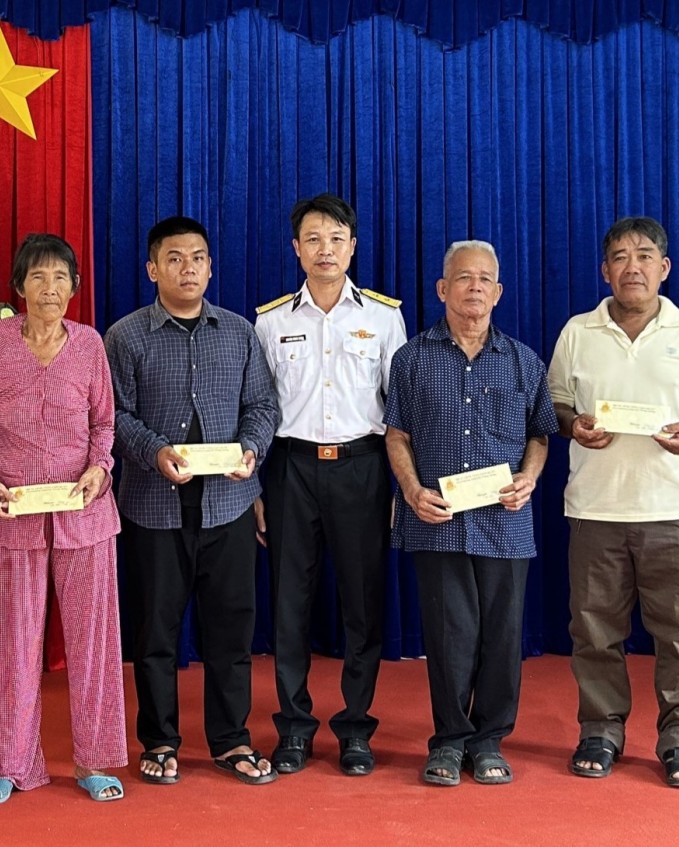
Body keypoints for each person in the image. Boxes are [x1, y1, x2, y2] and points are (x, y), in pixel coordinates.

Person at [548, 216, 679, 788]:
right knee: (594, 630)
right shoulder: (577, 331)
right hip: (596, 508)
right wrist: (573, 425)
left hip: (674, 508)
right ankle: (601, 729)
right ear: (605, 271)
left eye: (645, 255)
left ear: (664, 268)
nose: (633, 266)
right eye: (621, 257)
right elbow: (554, 407)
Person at [105, 215, 280, 786]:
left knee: (231, 632)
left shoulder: (238, 331)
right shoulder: (125, 336)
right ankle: (159, 740)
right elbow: (114, 417)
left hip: (227, 505)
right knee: (156, 633)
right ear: (153, 268)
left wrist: (252, 449)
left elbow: (262, 407)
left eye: (198, 258)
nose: (188, 268)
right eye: (175, 258)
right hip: (153, 506)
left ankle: (230, 740)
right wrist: (155, 452)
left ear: (211, 266)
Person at [384, 240, 556, 787]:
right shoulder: (411, 358)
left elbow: (540, 434)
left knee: (502, 638)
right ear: (442, 289)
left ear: (499, 292)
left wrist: (529, 477)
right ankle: (449, 741)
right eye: (463, 277)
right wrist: (411, 490)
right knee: (448, 635)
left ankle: (488, 741)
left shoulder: (524, 360)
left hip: (505, 524)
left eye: (485, 278)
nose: (475, 286)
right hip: (436, 520)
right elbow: (397, 435)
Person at [0, 234, 128, 804]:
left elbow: (105, 428)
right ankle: (10, 764)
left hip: (85, 517)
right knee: (13, 643)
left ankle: (96, 761)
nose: (50, 288)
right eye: (38, 277)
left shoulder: (89, 346)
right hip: (13, 517)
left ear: (75, 287)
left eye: (61, 277)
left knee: (93, 644)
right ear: (18, 287)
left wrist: (99, 472)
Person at [253, 193, 407, 776]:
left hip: (362, 468)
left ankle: (356, 728)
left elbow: (400, 412)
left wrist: (397, 486)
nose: (325, 250)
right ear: (296, 248)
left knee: (363, 604)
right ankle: (293, 728)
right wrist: (258, 493)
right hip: (291, 469)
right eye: (313, 239)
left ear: (353, 246)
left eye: (336, 239)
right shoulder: (270, 321)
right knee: (289, 604)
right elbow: (259, 411)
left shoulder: (383, 317)